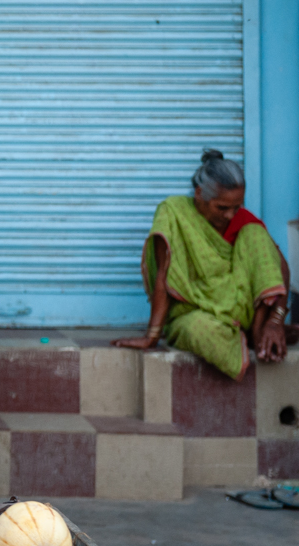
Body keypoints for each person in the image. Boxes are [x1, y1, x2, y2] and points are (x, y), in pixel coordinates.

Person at [113, 149, 294, 380]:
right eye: (222, 207)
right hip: (196, 312)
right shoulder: (174, 213)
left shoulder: (244, 222)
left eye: (236, 207)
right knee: (200, 331)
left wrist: (276, 320)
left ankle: (261, 331)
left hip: (243, 308)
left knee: (256, 233)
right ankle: (248, 337)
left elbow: (278, 267)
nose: (230, 215)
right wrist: (152, 335)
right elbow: (163, 274)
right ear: (199, 194)